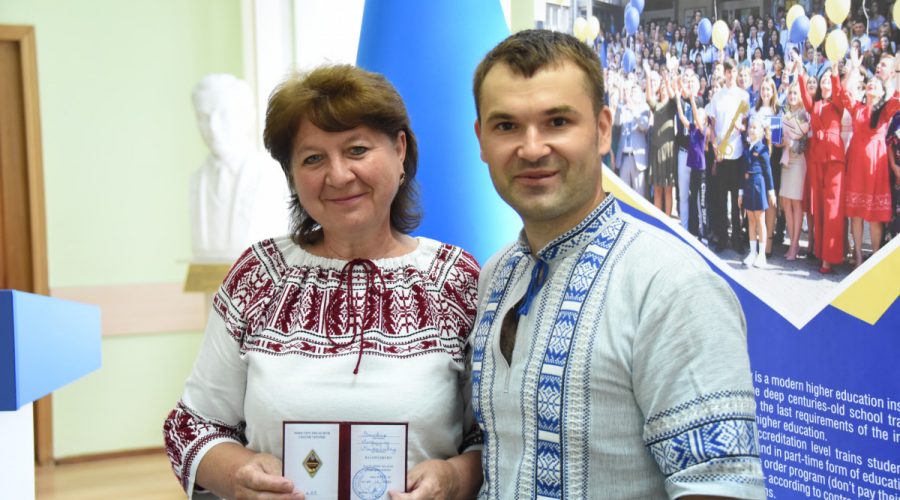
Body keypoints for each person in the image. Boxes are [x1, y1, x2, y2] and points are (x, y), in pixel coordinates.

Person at [468, 29, 764, 498]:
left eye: (557, 121)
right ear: (482, 140)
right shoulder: (497, 274)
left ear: (603, 130)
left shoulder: (671, 286)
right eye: (506, 126)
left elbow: (720, 487)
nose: (532, 148)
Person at [164, 65, 482, 499]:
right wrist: (238, 477)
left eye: (357, 150)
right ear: (292, 175)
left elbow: (496, 437)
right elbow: (192, 425)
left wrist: (454, 479)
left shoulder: (457, 280)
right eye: (313, 158)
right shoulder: (258, 275)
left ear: (400, 150)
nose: (338, 175)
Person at [189, 74, 291, 263]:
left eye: (224, 115)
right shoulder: (197, 180)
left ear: (248, 117)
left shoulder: (270, 174)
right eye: (203, 117)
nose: (213, 127)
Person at [840, 50, 900, 266]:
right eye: (869, 83)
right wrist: (855, 68)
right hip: (856, 163)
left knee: (875, 216)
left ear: (882, 91)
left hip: (877, 165)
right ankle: (857, 256)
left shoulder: (884, 110)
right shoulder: (857, 108)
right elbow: (844, 93)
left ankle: (874, 258)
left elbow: (898, 95)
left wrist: (896, 70)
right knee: (855, 214)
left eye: (876, 84)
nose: (871, 85)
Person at [798, 57, 847, 273]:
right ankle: (821, 253)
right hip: (817, 157)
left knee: (832, 207)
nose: (826, 81)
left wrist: (834, 73)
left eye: (829, 79)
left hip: (834, 157)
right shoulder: (816, 105)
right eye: (823, 79)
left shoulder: (837, 103)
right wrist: (800, 72)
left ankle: (830, 257)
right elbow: (805, 97)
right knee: (819, 207)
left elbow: (839, 93)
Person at [707, 58, 751, 253]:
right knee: (721, 199)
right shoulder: (717, 96)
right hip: (721, 154)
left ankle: (737, 239)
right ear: (724, 73)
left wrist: (741, 127)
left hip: (737, 153)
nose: (731, 75)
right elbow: (712, 124)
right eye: (728, 72)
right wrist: (715, 147)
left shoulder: (744, 95)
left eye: (734, 72)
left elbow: (747, 123)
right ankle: (723, 238)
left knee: (736, 201)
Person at [780, 81, 812, 260]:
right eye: (790, 93)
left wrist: (791, 141)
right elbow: (780, 138)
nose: (792, 96)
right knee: (786, 202)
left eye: (795, 93)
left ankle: (794, 245)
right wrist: (779, 140)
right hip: (786, 161)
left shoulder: (804, 114)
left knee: (796, 203)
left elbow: (804, 141)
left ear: (800, 96)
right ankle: (794, 242)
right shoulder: (785, 114)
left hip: (798, 161)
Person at [739, 116, 776, 267]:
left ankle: (762, 255)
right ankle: (753, 252)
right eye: (750, 127)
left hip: (758, 186)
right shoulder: (747, 149)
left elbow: (768, 171)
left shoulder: (763, 149)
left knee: (760, 220)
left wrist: (771, 191)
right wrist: (740, 192)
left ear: (761, 132)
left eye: (755, 127)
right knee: (751, 220)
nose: (752, 130)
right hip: (748, 187)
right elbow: (743, 171)